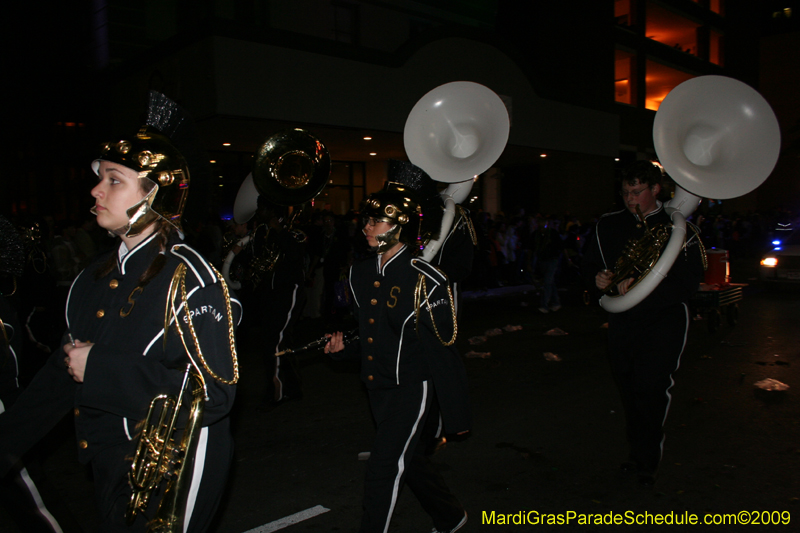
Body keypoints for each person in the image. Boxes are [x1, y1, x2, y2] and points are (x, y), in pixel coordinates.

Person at [0, 121, 241, 532]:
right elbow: (61, 376)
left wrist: (100, 369)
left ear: (156, 195)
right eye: (100, 179)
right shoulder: (90, 279)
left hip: (173, 467)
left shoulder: (191, 278)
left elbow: (214, 393)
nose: (96, 190)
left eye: (114, 180)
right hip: (110, 460)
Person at [325, 161, 470, 533]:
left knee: (383, 467)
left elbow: (444, 350)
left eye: (377, 221)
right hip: (376, 384)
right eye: (367, 221)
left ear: (400, 225)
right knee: (410, 460)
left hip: (411, 386)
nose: (367, 228)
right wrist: (344, 348)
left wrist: (455, 417)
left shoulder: (426, 279)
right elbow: (371, 334)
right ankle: (450, 515)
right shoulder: (359, 272)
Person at [581, 160, 703, 487]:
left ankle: (646, 460)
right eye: (625, 192)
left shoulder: (678, 226)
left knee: (651, 389)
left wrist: (642, 286)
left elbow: (688, 282)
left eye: (637, 192)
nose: (630, 199)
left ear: (656, 190)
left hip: (664, 320)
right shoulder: (607, 225)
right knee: (629, 389)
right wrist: (600, 279)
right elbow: (588, 268)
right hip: (622, 320)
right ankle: (637, 451)